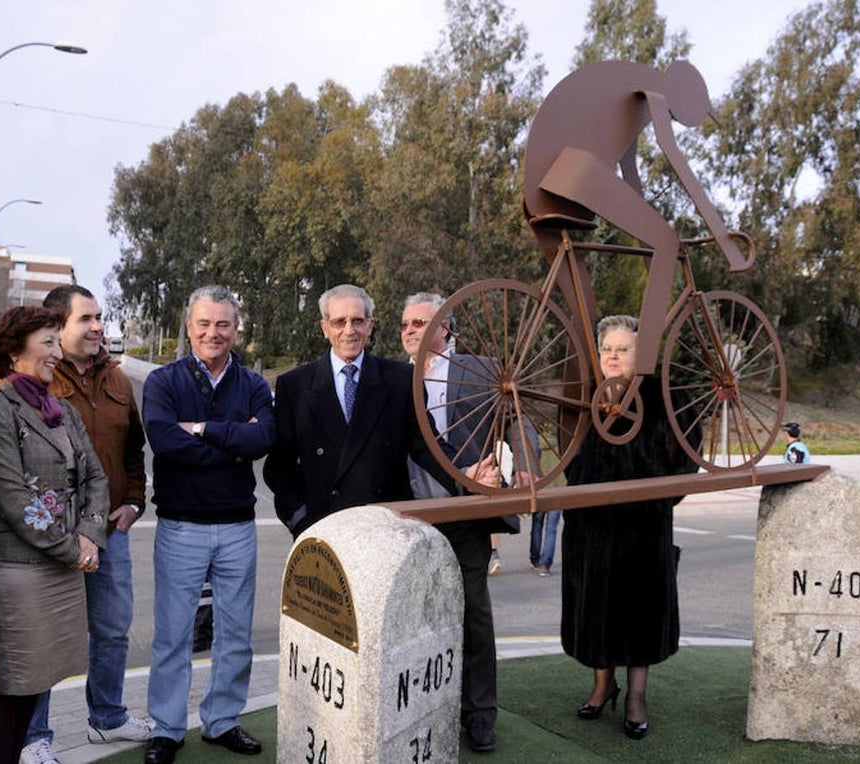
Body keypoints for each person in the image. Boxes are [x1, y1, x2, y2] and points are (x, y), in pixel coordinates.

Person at [523, 60, 750, 380]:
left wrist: (650, 251)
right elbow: (672, 153)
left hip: (542, 189)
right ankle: (641, 373)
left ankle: (581, 415)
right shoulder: (652, 94)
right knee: (668, 241)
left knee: (584, 315)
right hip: (571, 172)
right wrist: (725, 241)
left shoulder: (632, 101)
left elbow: (631, 176)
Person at [0, 306, 110, 764]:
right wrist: (76, 551)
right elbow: (14, 501)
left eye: (56, 340)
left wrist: (90, 536)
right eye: (47, 342)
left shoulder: (60, 408)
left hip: (63, 564)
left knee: (38, 677)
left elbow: (95, 478)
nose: (56, 351)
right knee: (8, 680)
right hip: (14, 569)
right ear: (14, 352)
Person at [141, 285, 276, 764]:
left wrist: (202, 430)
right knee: (173, 634)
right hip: (180, 526)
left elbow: (263, 441)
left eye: (223, 324)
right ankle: (168, 728)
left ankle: (222, 722)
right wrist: (232, 445)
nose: (213, 333)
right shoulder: (163, 382)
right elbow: (164, 441)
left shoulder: (254, 385)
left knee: (235, 634)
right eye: (204, 324)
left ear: (236, 329)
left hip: (239, 527)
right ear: (189, 326)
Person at [17, 285, 152, 764]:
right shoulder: (28, 378)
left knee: (113, 629)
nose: (98, 327)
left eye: (100, 318)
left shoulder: (116, 380)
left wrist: (134, 500)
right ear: (56, 325)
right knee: (48, 638)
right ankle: (33, 737)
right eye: (87, 319)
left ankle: (107, 718)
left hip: (108, 535)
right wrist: (35, 522)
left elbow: (134, 450)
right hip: (48, 541)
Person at [399, 292, 537, 753]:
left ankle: (480, 715)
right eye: (405, 323)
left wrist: (526, 465)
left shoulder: (481, 369)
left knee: (473, 615)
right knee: (417, 621)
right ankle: (426, 708)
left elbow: (518, 418)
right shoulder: (396, 378)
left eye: (422, 321)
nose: (411, 329)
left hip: (468, 513)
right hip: (412, 517)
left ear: (447, 327)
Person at [561, 315, 700, 740]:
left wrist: (657, 501)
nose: (613, 356)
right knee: (596, 606)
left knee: (641, 609)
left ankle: (637, 696)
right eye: (607, 349)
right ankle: (603, 684)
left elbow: (687, 458)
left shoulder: (665, 398)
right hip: (592, 525)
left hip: (644, 525)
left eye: (623, 349)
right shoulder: (584, 397)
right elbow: (566, 455)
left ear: (642, 355)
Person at [265, 284, 484, 538]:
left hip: (387, 528)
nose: (349, 330)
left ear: (370, 325)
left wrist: (468, 475)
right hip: (322, 531)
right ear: (324, 328)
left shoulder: (402, 379)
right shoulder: (295, 385)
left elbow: (427, 448)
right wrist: (299, 518)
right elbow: (279, 466)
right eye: (339, 322)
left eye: (357, 320)